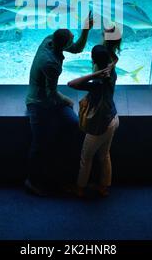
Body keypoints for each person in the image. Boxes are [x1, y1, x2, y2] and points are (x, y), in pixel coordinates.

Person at [25, 13, 93, 196]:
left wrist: (85, 31)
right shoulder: (51, 64)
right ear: (64, 44)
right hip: (38, 103)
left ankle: (59, 175)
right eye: (71, 37)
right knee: (39, 144)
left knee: (72, 125)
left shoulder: (49, 39)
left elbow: (77, 48)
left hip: (46, 99)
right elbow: (52, 94)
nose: (73, 38)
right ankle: (32, 182)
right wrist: (69, 100)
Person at [68, 44, 119, 198]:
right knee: (104, 155)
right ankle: (104, 187)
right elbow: (115, 58)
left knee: (86, 157)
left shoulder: (98, 82)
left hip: (100, 125)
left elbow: (72, 84)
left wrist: (94, 75)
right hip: (113, 118)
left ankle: (80, 188)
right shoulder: (112, 71)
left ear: (93, 60)